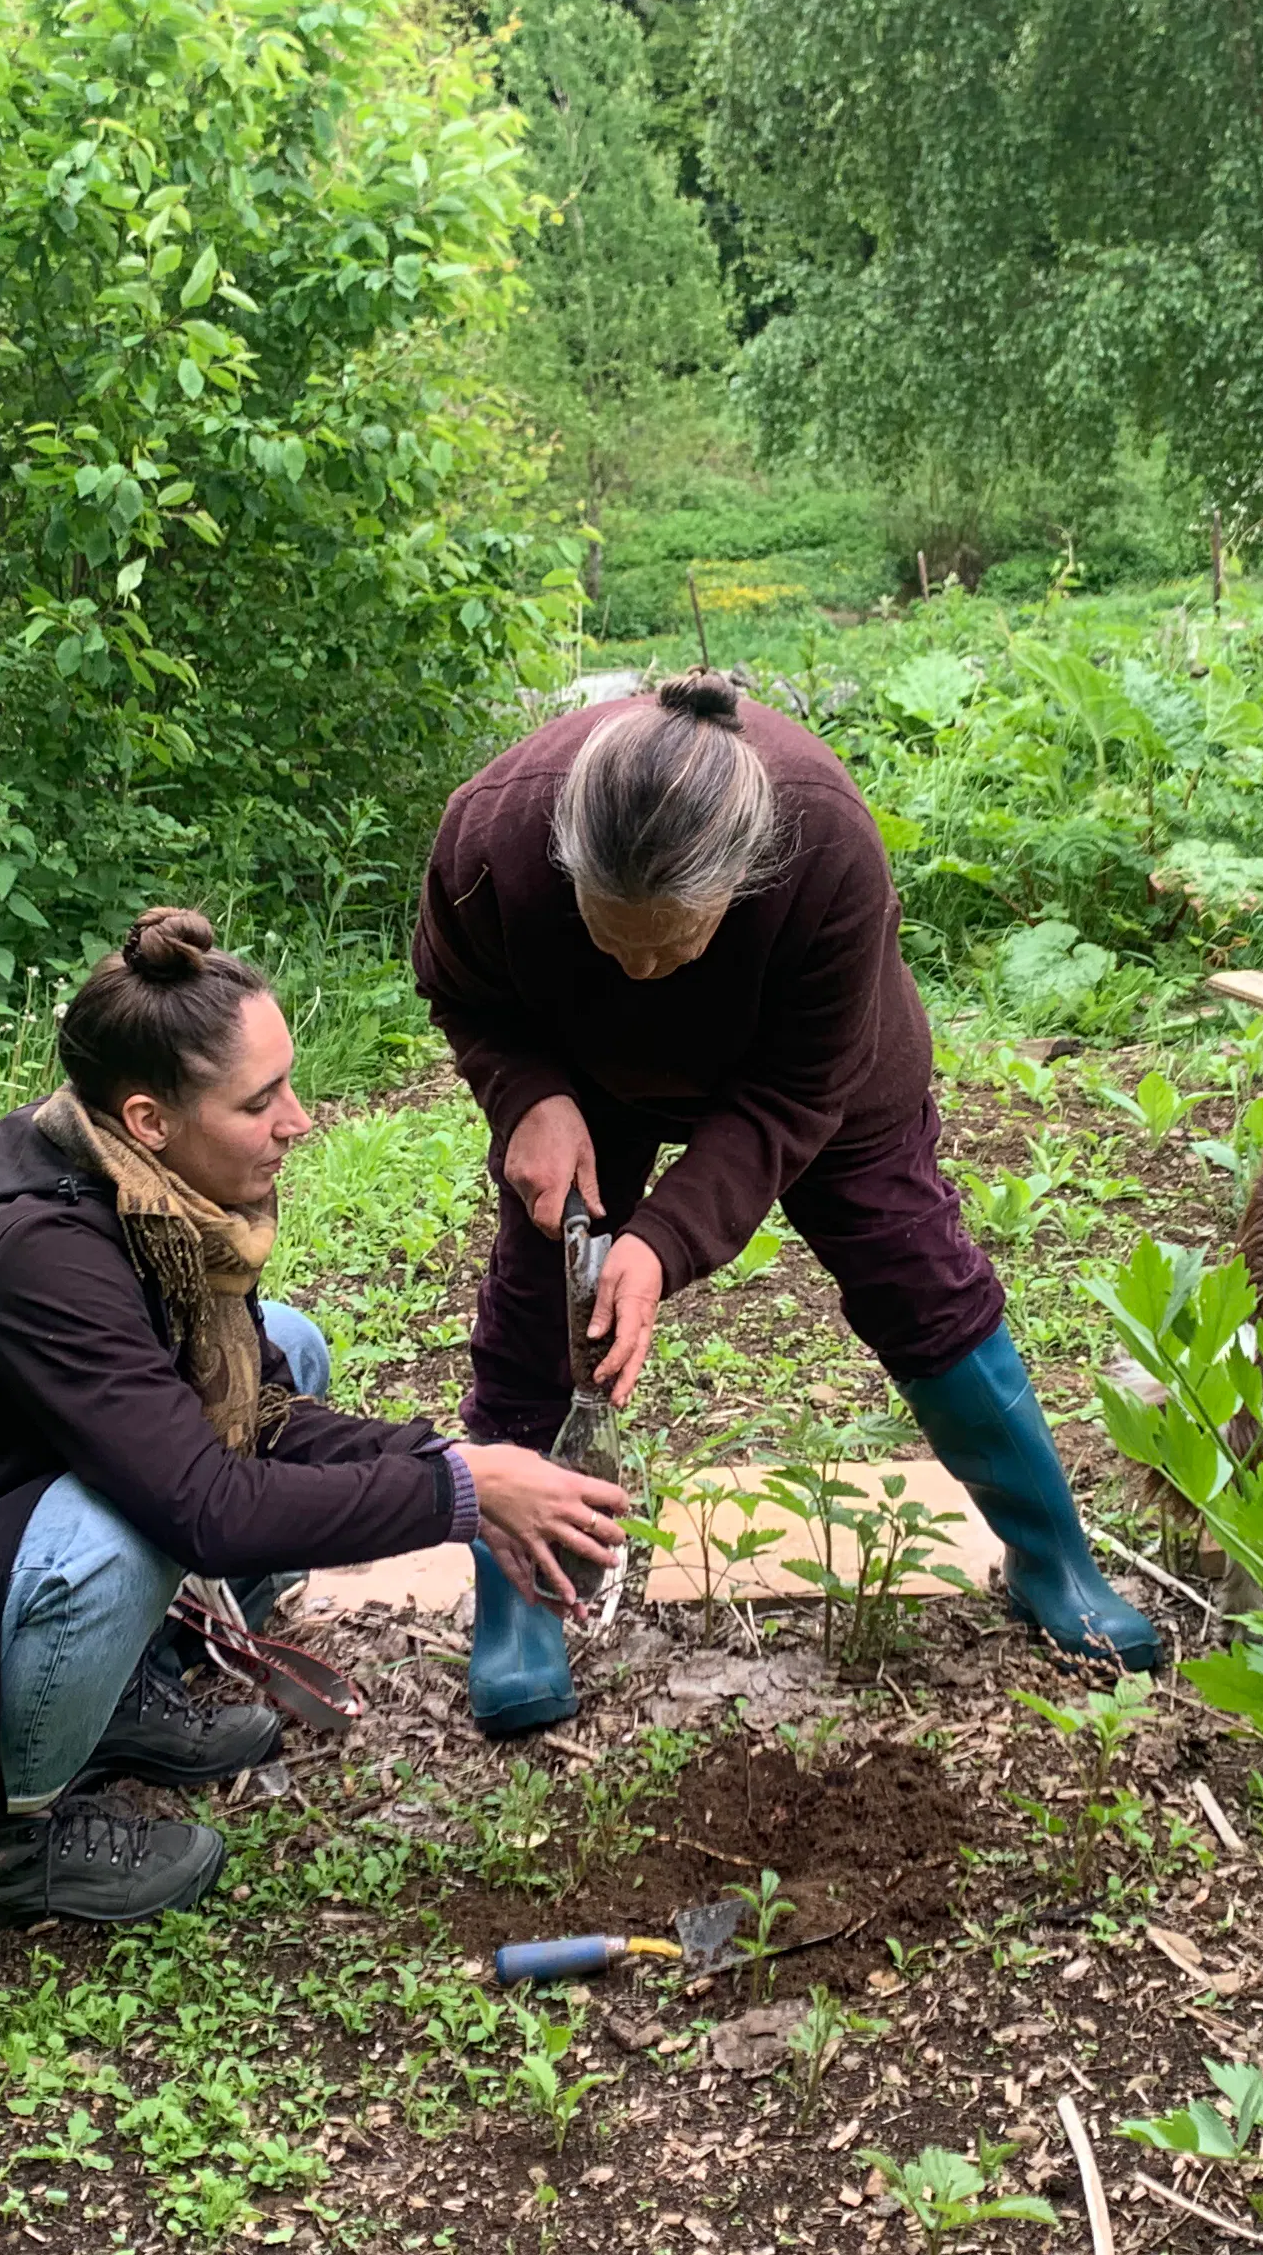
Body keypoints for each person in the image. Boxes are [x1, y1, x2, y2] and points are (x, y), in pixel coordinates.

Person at [0, 908, 629, 1923]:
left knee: (285, 1347)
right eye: (261, 1100)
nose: (299, 1120)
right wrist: (461, 1496)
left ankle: (109, 1700)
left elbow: (268, 1416)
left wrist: (458, 1466)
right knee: (131, 1528)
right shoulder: (46, 1257)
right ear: (151, 1118)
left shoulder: (160, 1207)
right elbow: (210, 1508)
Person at [414, 675, 1166, 1736]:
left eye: (671, 946)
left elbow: (794, 1095)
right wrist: (526, 1095)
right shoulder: (490, 836)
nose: (637, 970)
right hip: (581, 1077)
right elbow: (460, 989)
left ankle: (1055, 1562)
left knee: (921, 1279)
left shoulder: (824, 844)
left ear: (744, 882)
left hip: (817, 1071)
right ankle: (521, 1604)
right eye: (609, 937)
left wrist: (665, 1244)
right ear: (562, 866)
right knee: (543, 1301)